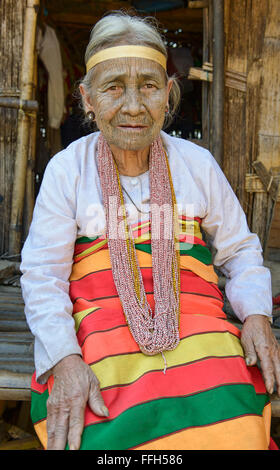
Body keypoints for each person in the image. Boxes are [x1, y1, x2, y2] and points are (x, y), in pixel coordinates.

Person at [20, 12, 280, 451]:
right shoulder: (68, 169)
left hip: (198, 324)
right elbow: (43, 276)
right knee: (102, 427)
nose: (134, 106)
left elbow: (240, 250)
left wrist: (257, 316)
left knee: (234, 420)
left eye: (149, 86)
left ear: (168, 95)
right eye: (114, 87)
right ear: (87, 98)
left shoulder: (196, 164)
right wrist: (64, 359)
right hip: (99, 331)